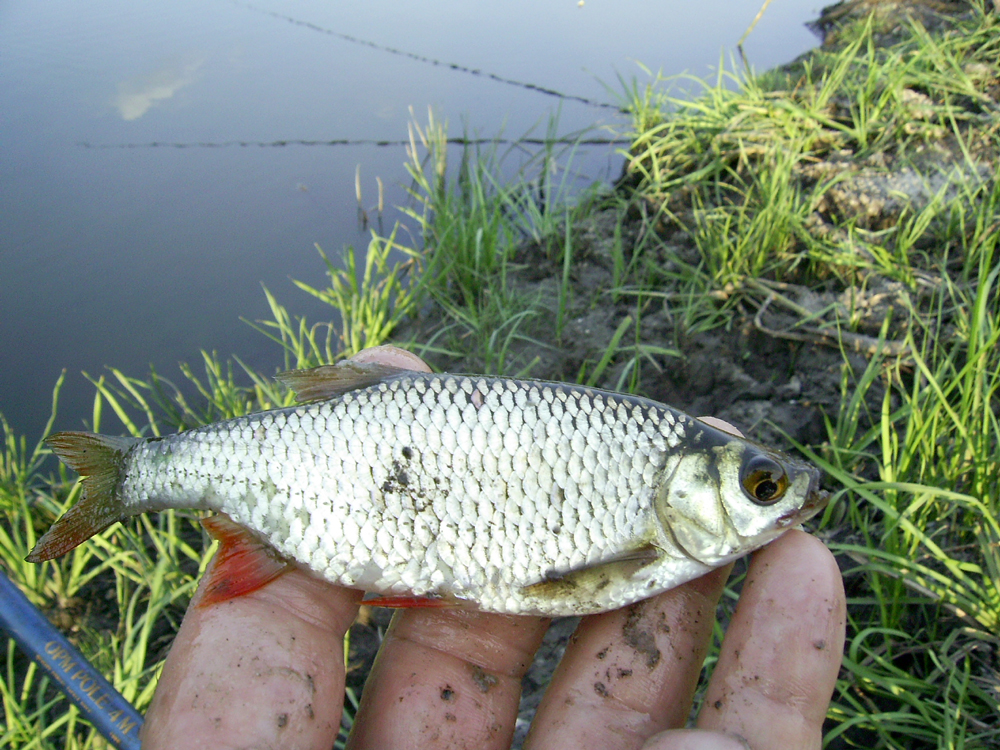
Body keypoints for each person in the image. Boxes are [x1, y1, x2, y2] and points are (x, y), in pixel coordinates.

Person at [139, 346, 846, 750]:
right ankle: (134, 473)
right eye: (763, 487)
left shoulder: (653, 477)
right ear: (687, 481)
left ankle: (139, 472)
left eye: (763, 487)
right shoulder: (650, 525)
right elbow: (565, 587)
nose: (785, 499)